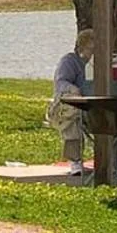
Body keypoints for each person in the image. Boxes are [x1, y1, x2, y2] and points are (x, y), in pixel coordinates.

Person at [46, 30, 93, 176]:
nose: (94, 53)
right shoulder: (69, 61)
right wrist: (74, 89)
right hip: (70, 107)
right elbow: (61, 82)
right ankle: (75, 161)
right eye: (92, 49)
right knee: (72, 114)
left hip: (94, 106)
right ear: (81, 48)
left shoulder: (102, 63)